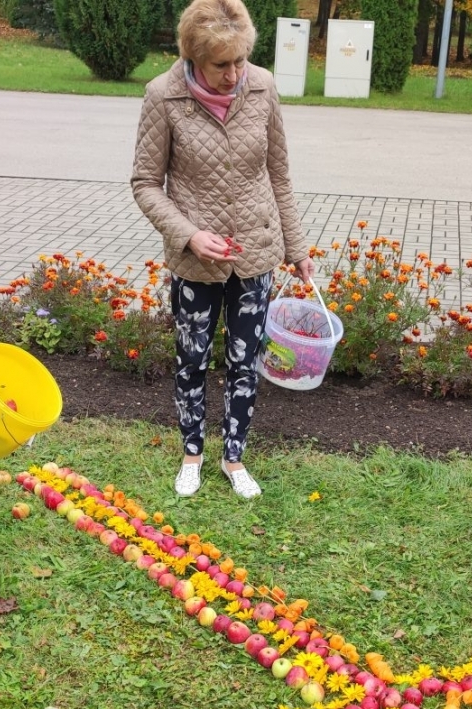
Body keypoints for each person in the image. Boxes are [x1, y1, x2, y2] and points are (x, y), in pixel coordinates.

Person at [131, 0, 313, 499]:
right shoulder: (162, 98)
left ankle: (234, 457)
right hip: (195, 265)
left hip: (255, 254)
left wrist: (296, 248)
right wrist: (188, 233)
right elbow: (146, 183)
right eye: (220, 65)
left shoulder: (264, 86)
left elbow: (279, 172)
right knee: (192, 359)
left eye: (239, 61)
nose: (233, 74)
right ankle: (193, 452)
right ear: (193, 55)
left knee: (244, 359)